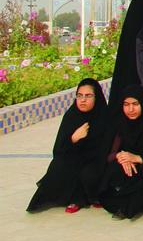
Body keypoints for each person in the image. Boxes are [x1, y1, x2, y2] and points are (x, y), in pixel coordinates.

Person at [27, 78, 108, 213]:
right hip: (74, 158)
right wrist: (73, 139)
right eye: (79, 96)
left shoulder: (105, 116)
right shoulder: (71, 116)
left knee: (89, 173)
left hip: (97, 161)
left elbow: (107, 147)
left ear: (97, 97)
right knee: (59, 165)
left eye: (88, 96)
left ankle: (90, 196)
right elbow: (58, 150)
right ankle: (73, 197)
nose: (83, 100)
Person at [97, 84, 143, 219]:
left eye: (135, 104)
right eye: (126, 105)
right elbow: (108, 154)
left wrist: (138, 158)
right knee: (113, 172)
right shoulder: (119, 122)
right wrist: (121, 156)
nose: (130, 109)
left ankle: (127, 203)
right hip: (125, 169)